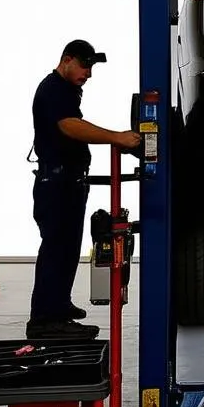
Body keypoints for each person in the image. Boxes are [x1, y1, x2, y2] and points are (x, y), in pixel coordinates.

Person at [28, 40, 141, 339]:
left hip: (68, 181)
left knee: (66, 249)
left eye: (91, 67)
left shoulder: (65, 90)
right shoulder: (53, 88)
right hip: (57, 183)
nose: (88, 73)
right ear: (66, 59)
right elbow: (70, 126)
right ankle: (45, 320)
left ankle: (58, 305)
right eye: (84, 66)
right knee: (56, 248)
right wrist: (116, 137)